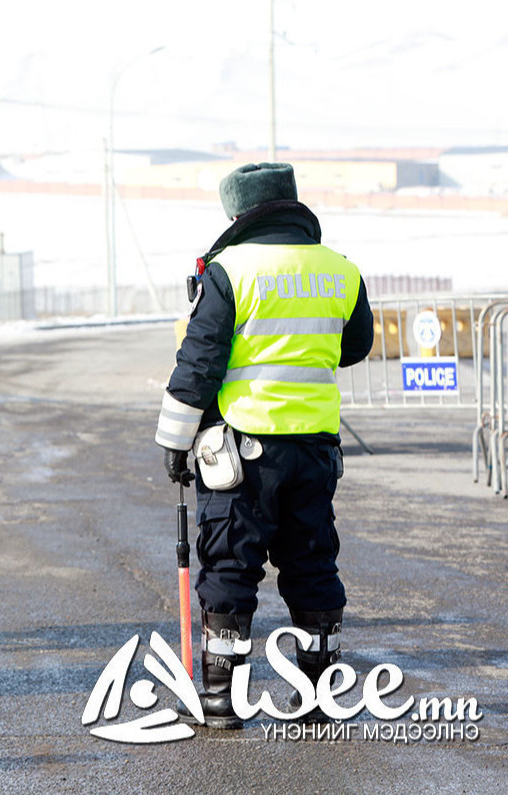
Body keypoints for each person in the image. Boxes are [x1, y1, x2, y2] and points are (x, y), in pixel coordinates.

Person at [155, 162, 374, 729]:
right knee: (312, 562)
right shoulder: (341, 271)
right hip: (316, 452)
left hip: (244, 451)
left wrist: (175, 442)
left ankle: (222, 700)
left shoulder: (229, 272)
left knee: (230, 565)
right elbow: (355, 348)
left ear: (239, 214)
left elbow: (199, 364)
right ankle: (320, 694)